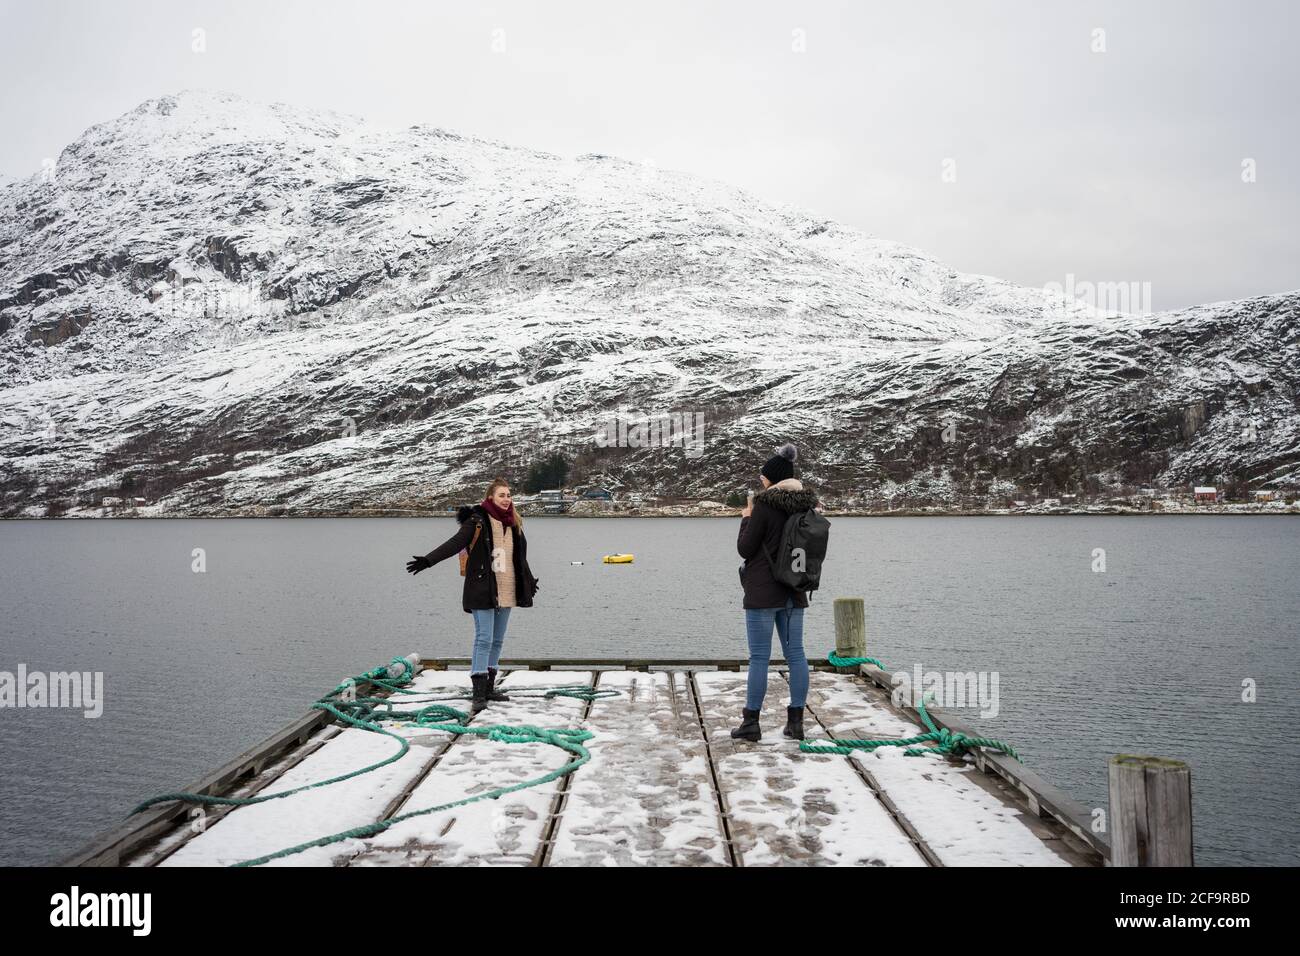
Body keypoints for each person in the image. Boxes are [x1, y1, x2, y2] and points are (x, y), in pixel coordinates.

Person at [405, 478, 539, 713]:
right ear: (490, 498)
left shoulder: (515, 523)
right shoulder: (477, 521)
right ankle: (478, 693)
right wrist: (428, 560)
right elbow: (455, 543)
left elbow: (519, 559)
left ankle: (489, 688)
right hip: (482, 588)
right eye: (501, 495)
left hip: (507, 588)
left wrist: (528, 582)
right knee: (484, 639)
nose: (506, 499)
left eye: (508, 495)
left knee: (497, 641)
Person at [732, 444, 817, 741]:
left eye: (763, 478)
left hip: (762, 593)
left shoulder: (765, 505)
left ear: (773, 479)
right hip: (794, 591)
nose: (761, 482)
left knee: (759, 657)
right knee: (796, 655)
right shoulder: (806, 506)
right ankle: (796, 724)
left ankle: (751, 724)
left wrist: (747, 516)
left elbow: (745, 548)